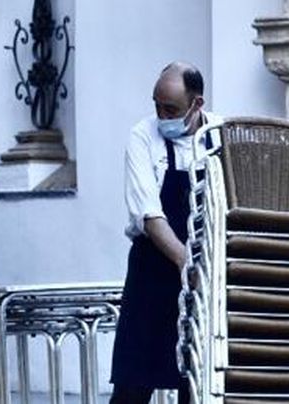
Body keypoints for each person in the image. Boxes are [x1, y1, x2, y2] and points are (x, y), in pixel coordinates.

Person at [109, 62, 209, 404]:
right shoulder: (142, 136)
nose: (161, 114)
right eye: (156, 105)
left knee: (195, 384)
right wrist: (190, 268)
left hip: (204, 282)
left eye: (171, 109)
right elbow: (150, 216)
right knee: (132, 385)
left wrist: (207, 274)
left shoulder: (220, 136)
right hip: (153, 273)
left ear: (197, 105)